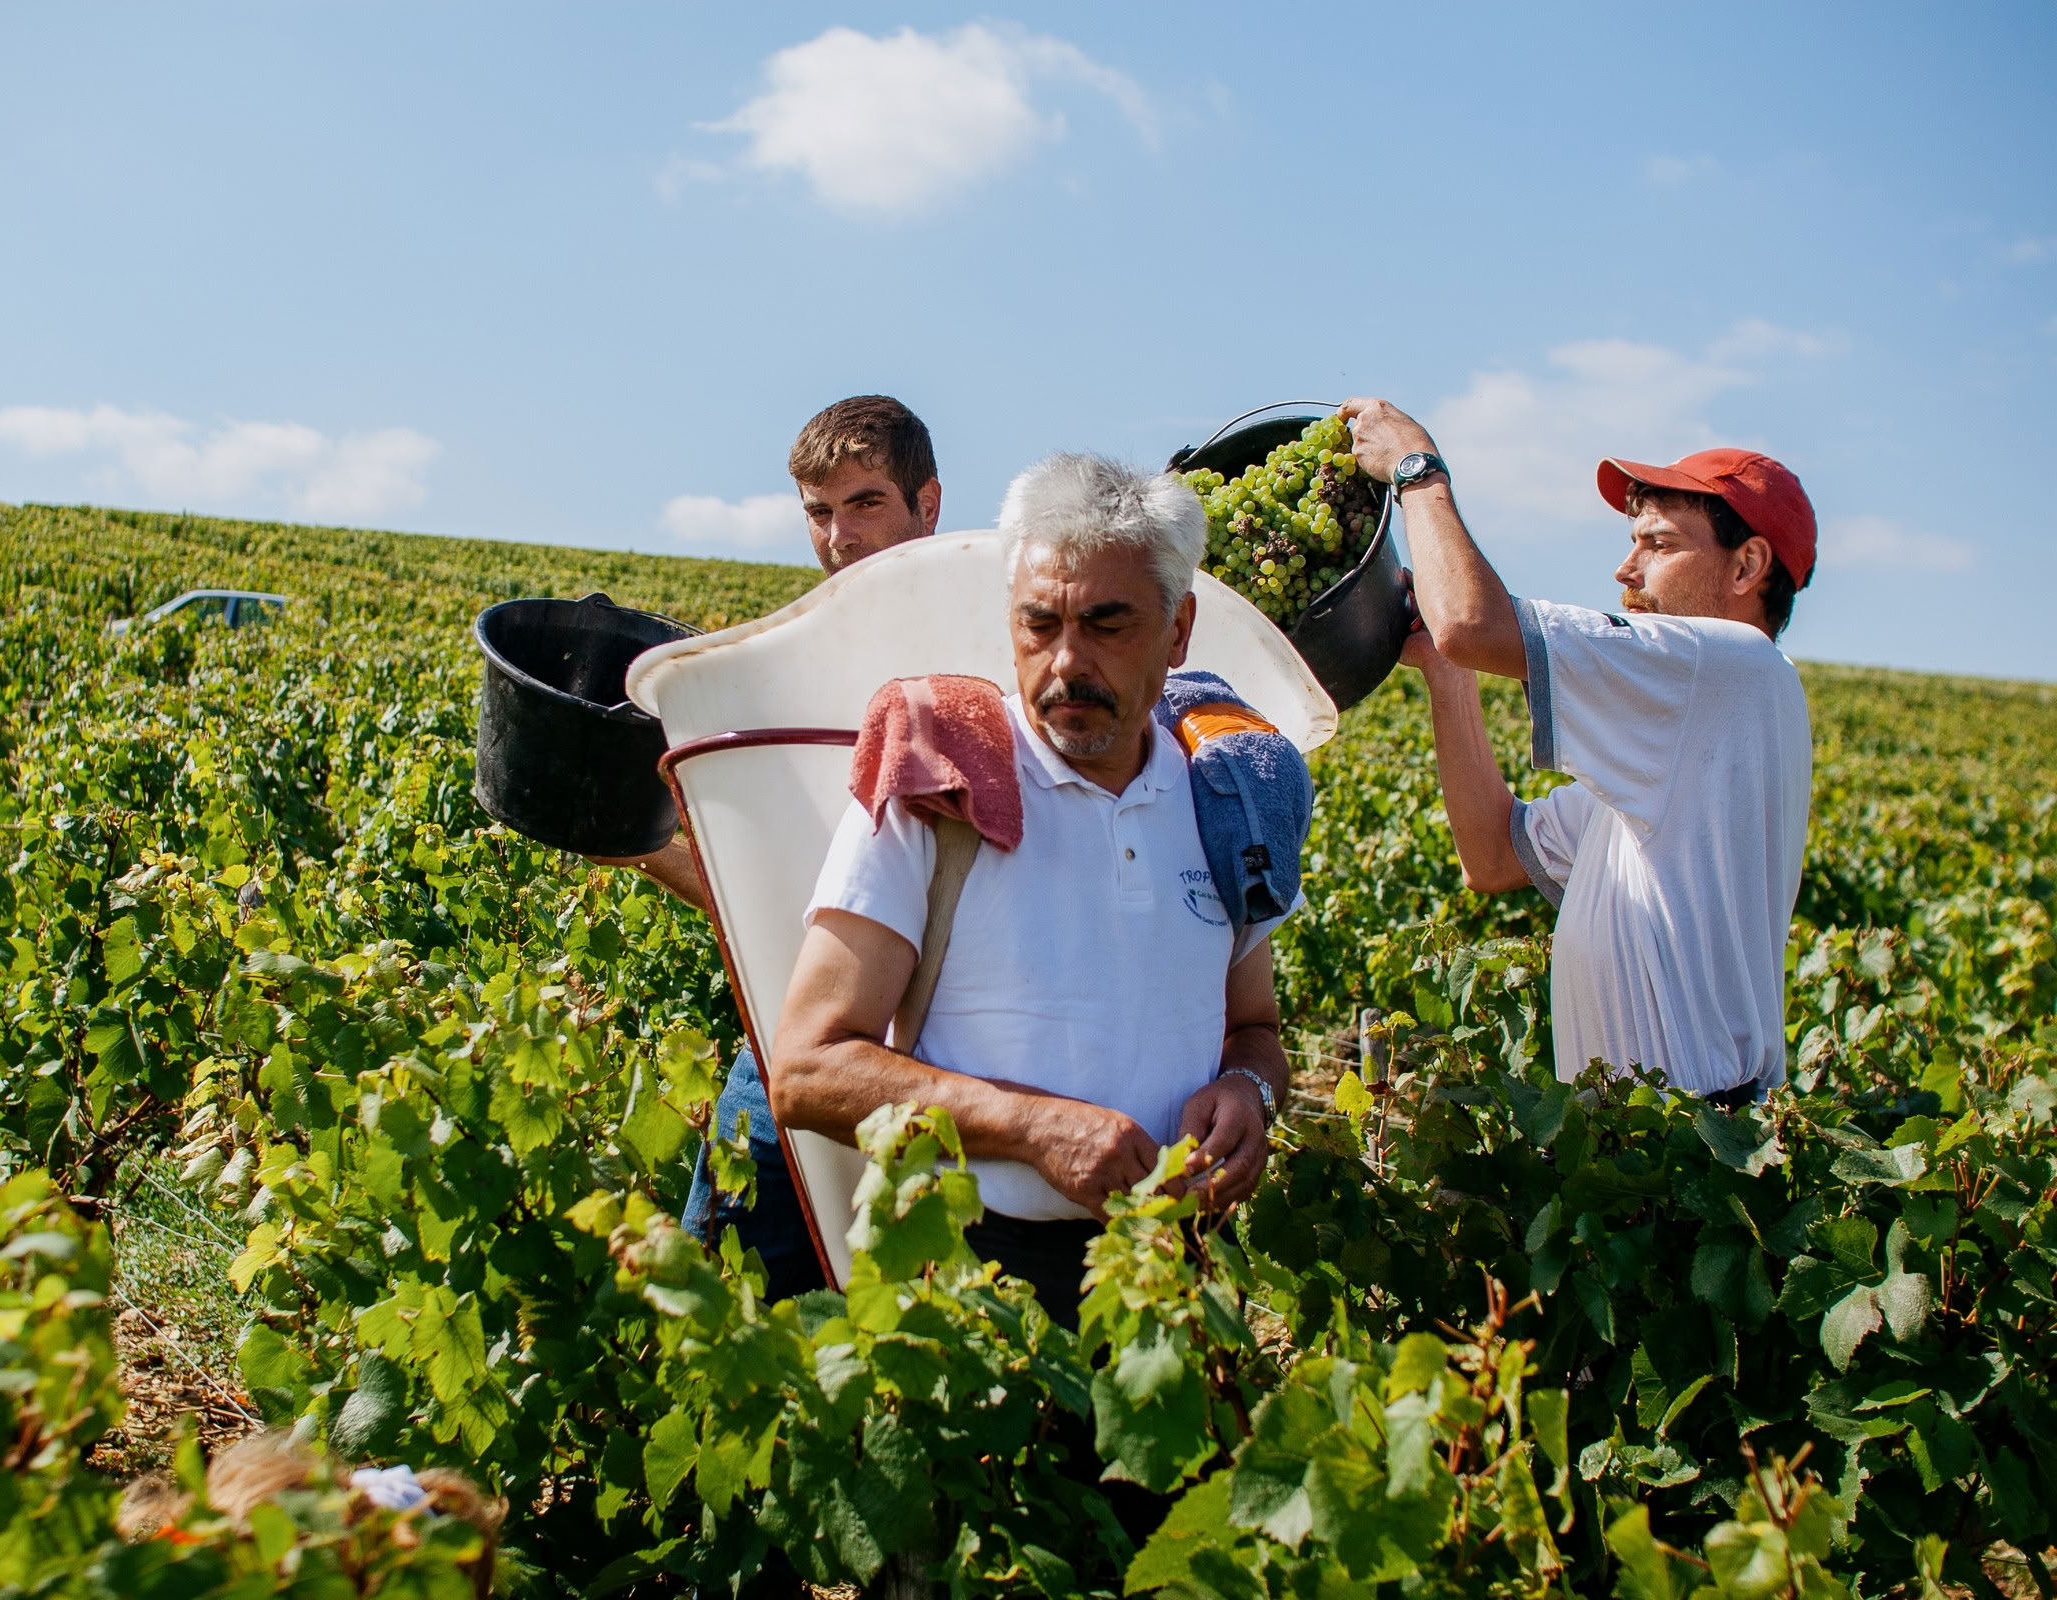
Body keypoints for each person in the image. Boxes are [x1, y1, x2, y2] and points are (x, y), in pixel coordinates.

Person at [768, 453, 1295, 1328]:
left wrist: (1249, 1090)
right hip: (976, 1293)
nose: (1066, 663)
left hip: (1174, 1283)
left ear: (1178, 631)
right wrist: (1032, 1128)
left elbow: (1258, 1031)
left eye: (1107, 625)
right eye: (1039, 624)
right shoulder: (942, 789)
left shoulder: (1224, 801)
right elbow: (807, 1069)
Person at [1337, 397, 1816, 1105]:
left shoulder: (1728, 665)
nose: (1626, 570)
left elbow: (1470, 621)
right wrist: (1448, 672)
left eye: (1658, 545)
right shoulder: (1683, 728)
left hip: (1688, 1133)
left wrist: (1418, 471)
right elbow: (1494, 856)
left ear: (1747, 566)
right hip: (1641, 1135)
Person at [595, 395, 943, 1296]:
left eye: (865, 503)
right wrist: (636, 845)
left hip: (952, 1059)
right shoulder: (790, 674)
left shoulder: (990, 652)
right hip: (793, 1044)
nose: (839, 537)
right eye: (818, 513)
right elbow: (777, 895)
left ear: (928, 504)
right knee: (722, 1304)